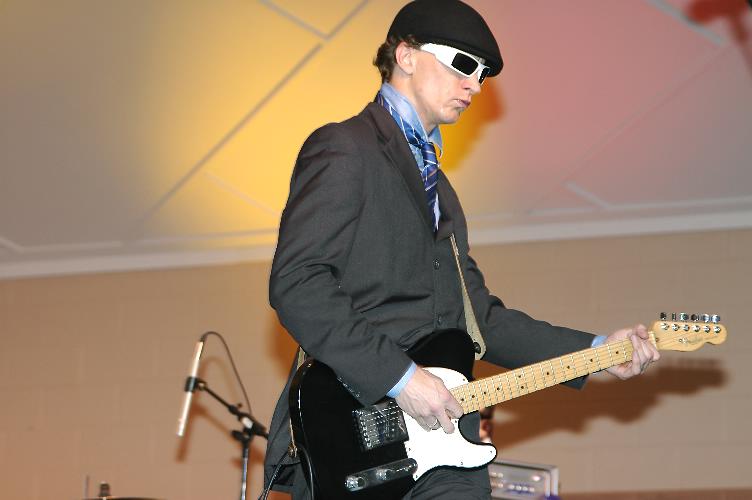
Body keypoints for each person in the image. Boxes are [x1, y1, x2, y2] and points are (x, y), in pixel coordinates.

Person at [262, 1, 660, 498]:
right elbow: (297, 283)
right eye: (463, 64)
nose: (475, 85)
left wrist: (597, 352)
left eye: (483, 74)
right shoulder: (346, 147)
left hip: (448, 443)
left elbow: (481, 321)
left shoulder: (442, 193)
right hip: (351, 440)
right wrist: (401, 378)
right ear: (406, 56)